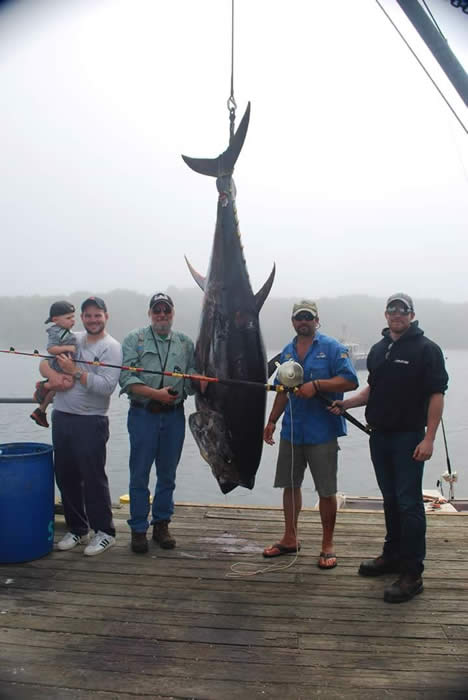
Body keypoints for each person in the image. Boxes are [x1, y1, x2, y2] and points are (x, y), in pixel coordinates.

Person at [331, 293, 448, 603]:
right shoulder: (380, 350)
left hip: (409, 437)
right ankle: (392, 556)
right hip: (378, 436)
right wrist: (347, 404)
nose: (397, 315)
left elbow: (437, 395)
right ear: (385, 315)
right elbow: (374, 389)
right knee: (391, 500)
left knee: (409, 503)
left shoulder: (427, 350)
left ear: (411, 315)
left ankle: (412, 574)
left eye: (403, 310)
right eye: (392, 310)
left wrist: (429, 438)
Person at [263, 299, 358, 569]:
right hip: (292, 431)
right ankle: (290, 537)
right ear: (293, 321)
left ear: (317, 321)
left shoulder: (332, 348)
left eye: (308, 317)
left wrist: (317, 385)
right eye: (298, 317)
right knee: (289, 485)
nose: (303, 321)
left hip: (322, 432)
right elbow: (281, 389)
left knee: (326, 490)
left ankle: (327, 544)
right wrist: (271, 420)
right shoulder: (287, 351)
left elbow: (351, 380)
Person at [40, 296, 122, 556]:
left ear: (106, 316)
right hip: (62, 416)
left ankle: (105, 532)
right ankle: (77, 528)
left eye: (97, 315)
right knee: (65, 475)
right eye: (87, 315)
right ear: (81, 318)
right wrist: (51, 376)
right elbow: (45, 360)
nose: (92, 319)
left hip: (91, 420)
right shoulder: (71, 338)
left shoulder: (112, 347)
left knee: (93, 478)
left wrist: (75, 371)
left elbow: (106, 387)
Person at [119, 292, 196, 554]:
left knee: (168, 475)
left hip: (174, 416)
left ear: (173, 313)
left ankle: (161, 524)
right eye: (157, 311)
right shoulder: (134, 339)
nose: (162, 315)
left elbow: (195, 378)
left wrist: (209, 381)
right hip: (143, 415)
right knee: (139, 474)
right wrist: (156, 395)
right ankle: (138, 529)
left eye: (166, 310)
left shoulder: (186, 343)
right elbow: (127, 379)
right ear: (150, 313)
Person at [30, 300, 77, 428]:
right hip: (57, 364)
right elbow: (51, 349)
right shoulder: (56, 332)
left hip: (63, 365)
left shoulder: (66, 332)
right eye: (68, 318)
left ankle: (41, 410)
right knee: (68, 382)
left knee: (56, 387)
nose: (73, 320)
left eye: (73, 317)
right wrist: (69, 348)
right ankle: (43, 385)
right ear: (56, 320)